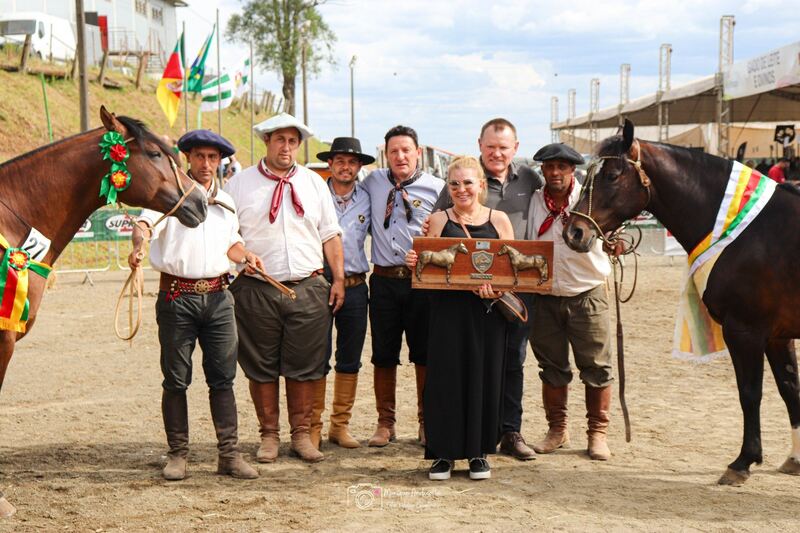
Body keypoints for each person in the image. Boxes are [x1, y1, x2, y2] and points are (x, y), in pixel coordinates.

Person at [129, 130, 261, 481]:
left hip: (219, 297)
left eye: (213, 158)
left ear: (220, 162)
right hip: (177, 298)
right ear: (188, 159)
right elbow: (143, 225)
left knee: (223, 379)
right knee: (176, 380)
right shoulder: (167, 195)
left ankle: (229, 455)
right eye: (200, 157)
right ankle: (178, 455)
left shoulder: (227, 203)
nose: (206, 164)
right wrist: (139, 244)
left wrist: (245, 255)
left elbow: (231, 245)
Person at [224, 112, 345, 464]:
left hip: (308, 286)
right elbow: (227, 235)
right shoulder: (239, 185)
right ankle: (269, 436)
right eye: (280, 140)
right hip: (256, 288)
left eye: (293, 141)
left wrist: (337, 279)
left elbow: (330, 233)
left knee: (305, 365)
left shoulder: (313, 183)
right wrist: (241, 255)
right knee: (261, 365)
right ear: (267, 142)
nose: (287, 147)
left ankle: (301, 435)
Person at [432, 118, 544, 461]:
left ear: (515, 149)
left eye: (503, 147)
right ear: (481, 145)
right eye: (491, 146)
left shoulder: (530, 179)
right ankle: (453, 441)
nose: (497, 152)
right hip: (457, 301)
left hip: (506, 294)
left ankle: (508, 431)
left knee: (509, 364)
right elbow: (434, 239)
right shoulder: (454, 185)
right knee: (456, 369)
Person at [406, 155, 514, 480]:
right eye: (454, 184)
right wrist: (415, 261)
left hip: (487, 313)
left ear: (481, 184)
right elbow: (429, 265)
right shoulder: (438, 219)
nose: (461, 189)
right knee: (444, 380)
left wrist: (495, 292)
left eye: (468, 182)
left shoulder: (500, 219)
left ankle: (478, 453)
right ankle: (443, 454)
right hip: (446, 312)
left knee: (484, 378)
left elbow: (510, 271)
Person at [525, 142, 614, 461]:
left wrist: (614, 243)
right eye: (549, 167)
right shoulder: (534, 202)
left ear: (572, 170)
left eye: (562, 167)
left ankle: (597, 433)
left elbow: (614, 229)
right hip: (545, 297)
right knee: (552, 367)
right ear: (543, 171)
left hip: (586, 293)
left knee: (596, 367)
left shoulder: (590, 201)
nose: (555, 173)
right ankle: (557, 429)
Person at [361, 125, 444, 447]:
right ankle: (386, 423)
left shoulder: (437, 188)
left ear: (418, 152)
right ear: (386, 153)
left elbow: (449, 232)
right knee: (383, 354)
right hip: (382, 280)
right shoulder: (372, 182)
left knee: (424, 354)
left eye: (406, 150)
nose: (400, 156)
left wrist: (426, 253)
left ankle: (426, 421)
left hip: (421, 283)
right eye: (394, 151)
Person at [308, 137, 374, 449]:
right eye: (339, 161)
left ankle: (339, 425)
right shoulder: (314, 195)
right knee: (316, 356)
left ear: (359, 166)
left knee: (350, 358)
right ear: (330, 164)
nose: (345, 167)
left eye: (351, 162)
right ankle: (312, 426)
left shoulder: (369, 198)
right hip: (319, 284)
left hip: (356, 286)